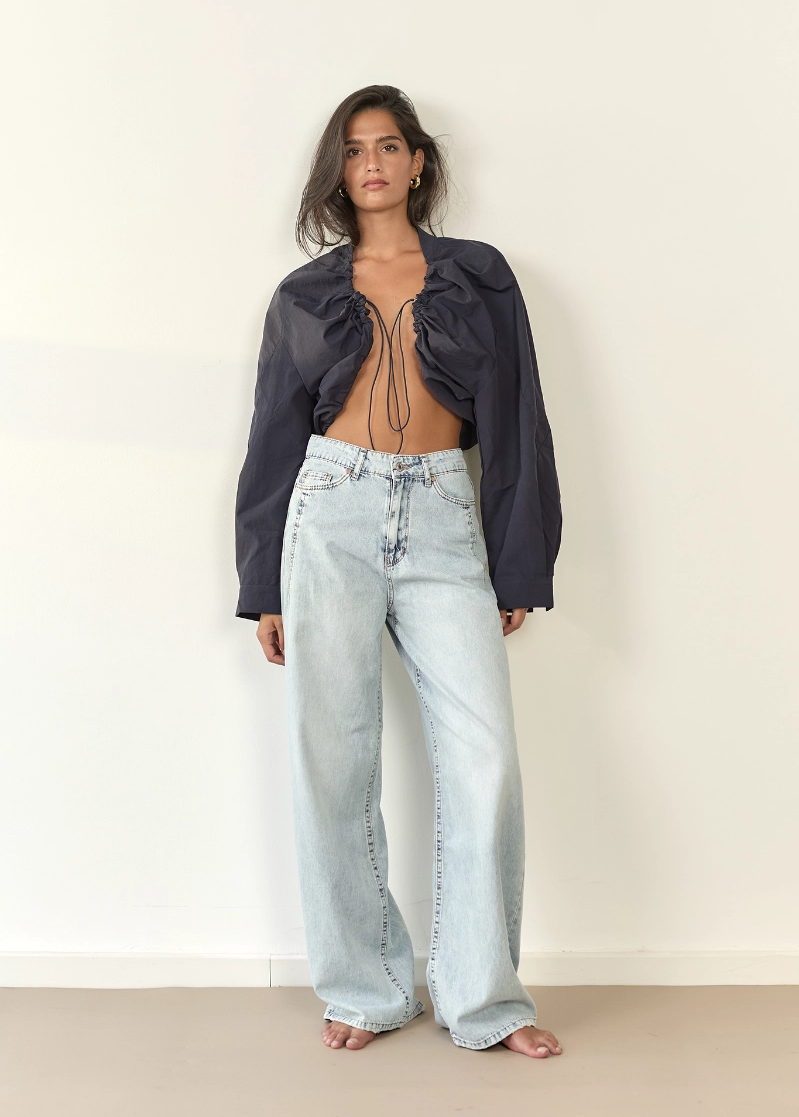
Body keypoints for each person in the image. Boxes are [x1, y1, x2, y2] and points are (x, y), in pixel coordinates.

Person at [234, 85, 563, 1058]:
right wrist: (262, 586)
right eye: (353, 149)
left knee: (485, 760)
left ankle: (485, 1002)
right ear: (337, 172)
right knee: (331, 760)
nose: (370, 163)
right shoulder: (303, 295)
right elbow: (271, 440)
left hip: (443, 515)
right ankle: (365, 989)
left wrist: (517, 563)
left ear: (418, 162)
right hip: (327, 510)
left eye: (387, 145)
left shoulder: (481, 275)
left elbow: (517, 421)